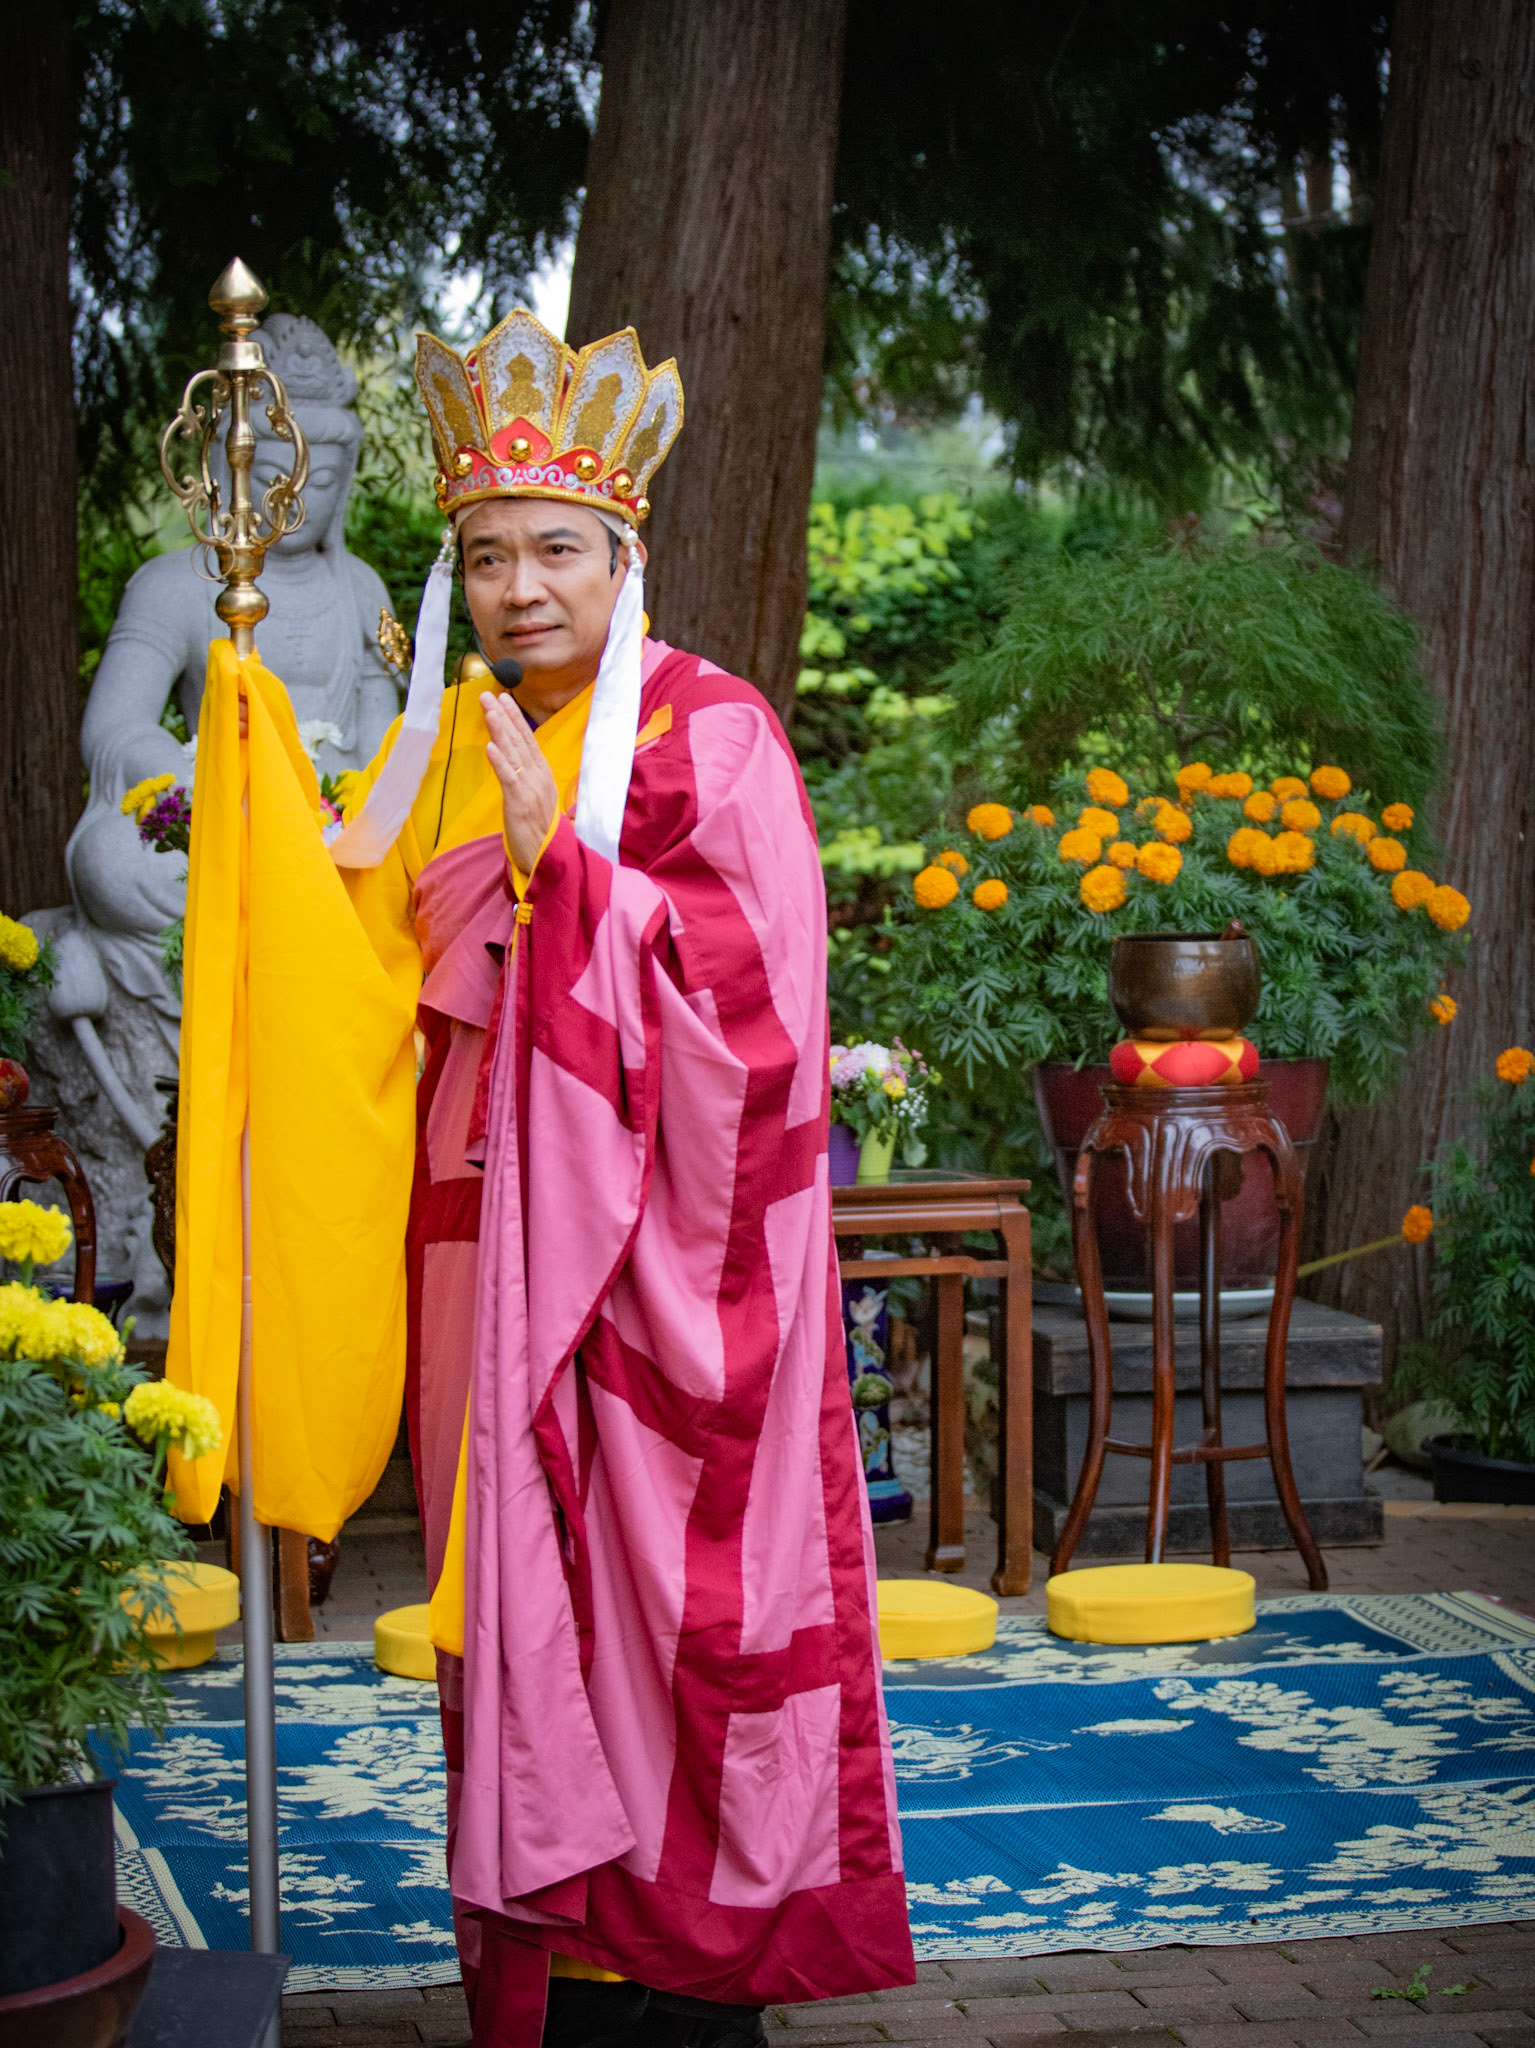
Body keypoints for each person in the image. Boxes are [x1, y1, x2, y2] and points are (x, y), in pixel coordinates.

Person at [332, 310, 914, 2046]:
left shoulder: (711, 730)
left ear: (621, 562)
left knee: (670, 1608)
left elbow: (756, 1004)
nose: (520, 588)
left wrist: (566, 880)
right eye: (487, 556)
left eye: (556, 552)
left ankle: (682, 1979)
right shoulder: (455, 736)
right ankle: (552, 1953)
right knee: (514, 1595)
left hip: (662, 1276)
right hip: (492, 1246)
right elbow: (372, 963)